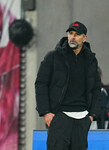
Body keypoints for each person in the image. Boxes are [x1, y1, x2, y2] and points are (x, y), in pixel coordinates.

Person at [35, 21, 102, 150]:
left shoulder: (91, 60)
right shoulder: (53, 56)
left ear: (84, 38)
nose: (72, 37)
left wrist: (92, 115)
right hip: (59, 116)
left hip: (82, 117)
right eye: (70, 33)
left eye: (77, 34)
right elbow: (41, 84)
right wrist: (46, 112)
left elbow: (96, 88)